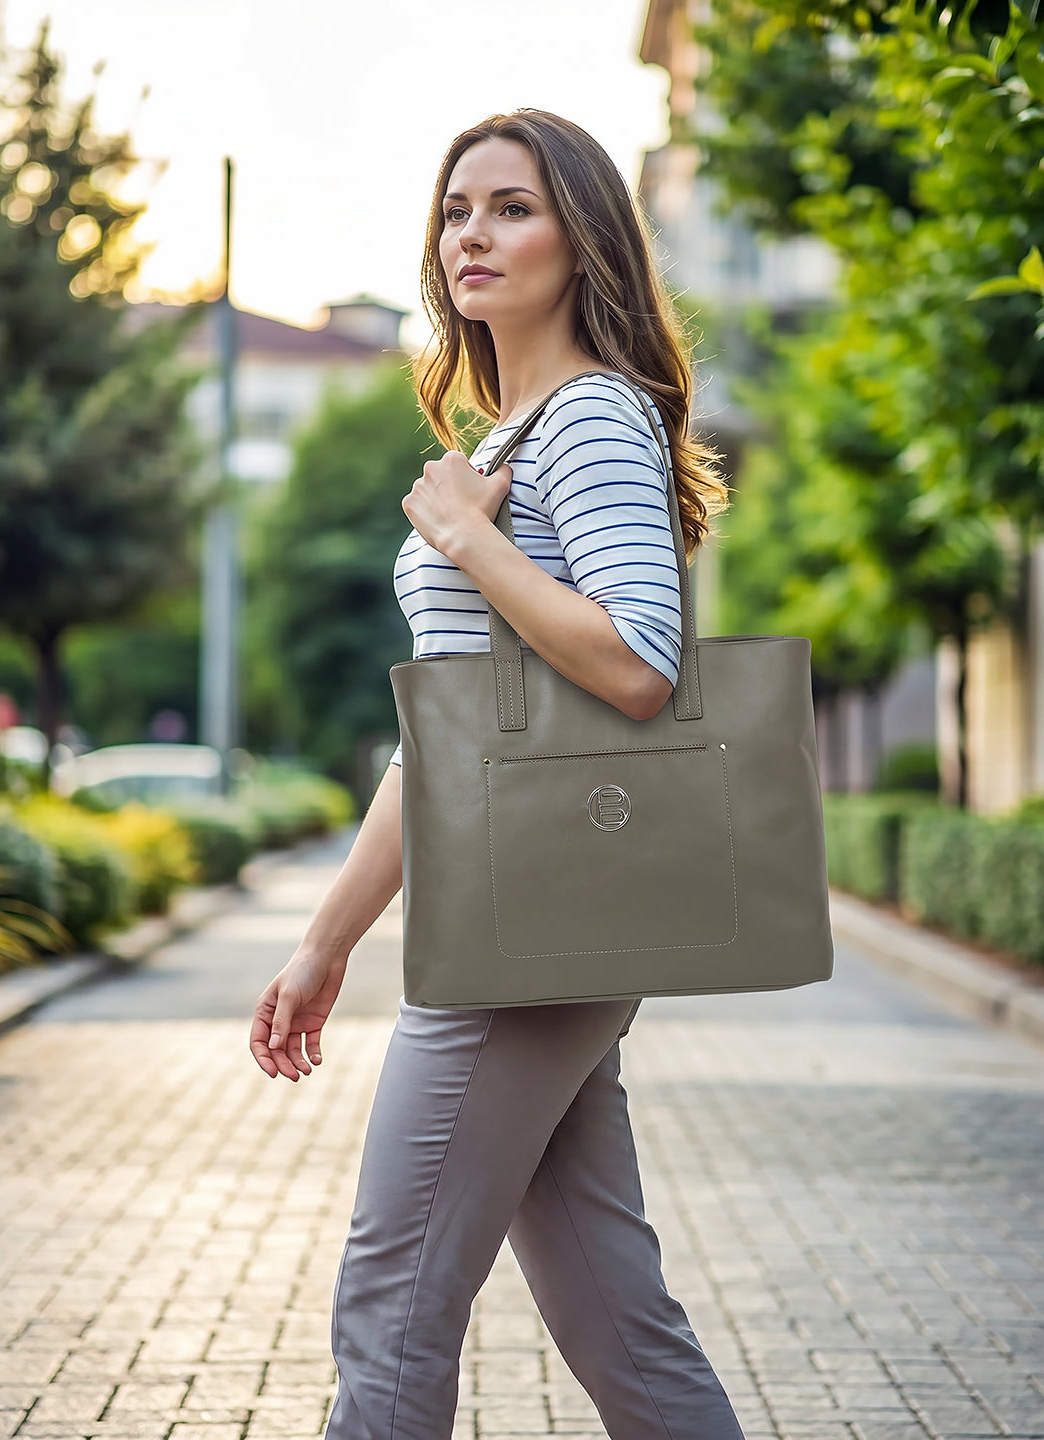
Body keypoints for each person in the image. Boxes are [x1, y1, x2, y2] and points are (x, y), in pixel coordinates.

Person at [249, 109, 745, 1440]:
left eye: (512, 205)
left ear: (582, 237)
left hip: (528, 924)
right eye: (458, 208)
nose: (474, 231)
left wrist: (471, 543)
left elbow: (641, 665)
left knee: (394, 1300)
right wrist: (325, 941)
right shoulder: (506, 439)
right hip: (516, 912)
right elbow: (445, 742)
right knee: (616, 1322)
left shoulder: (583, 422)